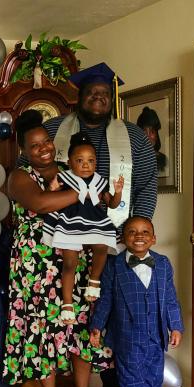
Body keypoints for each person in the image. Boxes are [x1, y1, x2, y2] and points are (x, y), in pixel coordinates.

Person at [43, 62, 158, 387]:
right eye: (92, 93)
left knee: (107, 305)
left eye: (104, 94)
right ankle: (46, 372)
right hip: (62, 230)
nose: (98, 98)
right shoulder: (53, 130)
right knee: (57, 301)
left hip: (111, 234)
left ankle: (112, 379)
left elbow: (147, 183)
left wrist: (136, 229)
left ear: (112, 100)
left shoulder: (133, 135)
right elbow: (33, 169)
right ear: (79, 97)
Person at [2, 109, 112, 387]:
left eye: (46, 141)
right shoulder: (19, 176)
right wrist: (82, 191)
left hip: (74, 261)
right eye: (34, 145)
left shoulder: (68, 170)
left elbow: (97, 205)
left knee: (80, 326)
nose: (43, 148)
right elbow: (41, 204)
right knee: (46, 330)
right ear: (23, 150)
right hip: (37, 265)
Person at [89, 216, 184, 387]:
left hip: (156, 333)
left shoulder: (162, 263)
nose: (138, 236)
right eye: (132, 232)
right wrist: (97, 326)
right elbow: (106, 300)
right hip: (127, 334)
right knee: (132, 378)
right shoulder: (114, 265)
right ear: (123, 238)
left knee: (153, 376)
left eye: (144, 232)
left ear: (153, 239)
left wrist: (176, 326)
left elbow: (170, 298)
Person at [43, 132, 124, 325]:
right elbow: (48, 199)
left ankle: (94, 280)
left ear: (96, 163)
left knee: (102, 246)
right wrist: (52, 190)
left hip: (95, 220)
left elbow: (111, 204)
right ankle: (68, 303)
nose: (86, 165)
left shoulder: (99, 181)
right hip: (71, 220)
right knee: (70, 263)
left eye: (90, 161)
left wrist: (118, 192)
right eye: (80, 160)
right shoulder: (64, 178)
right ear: (70, 162)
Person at [136, 106, 168, 174]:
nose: (148, 136)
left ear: (156, 135)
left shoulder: (163, 160)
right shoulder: (135, 160)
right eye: (144, 131)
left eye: (152, 132)